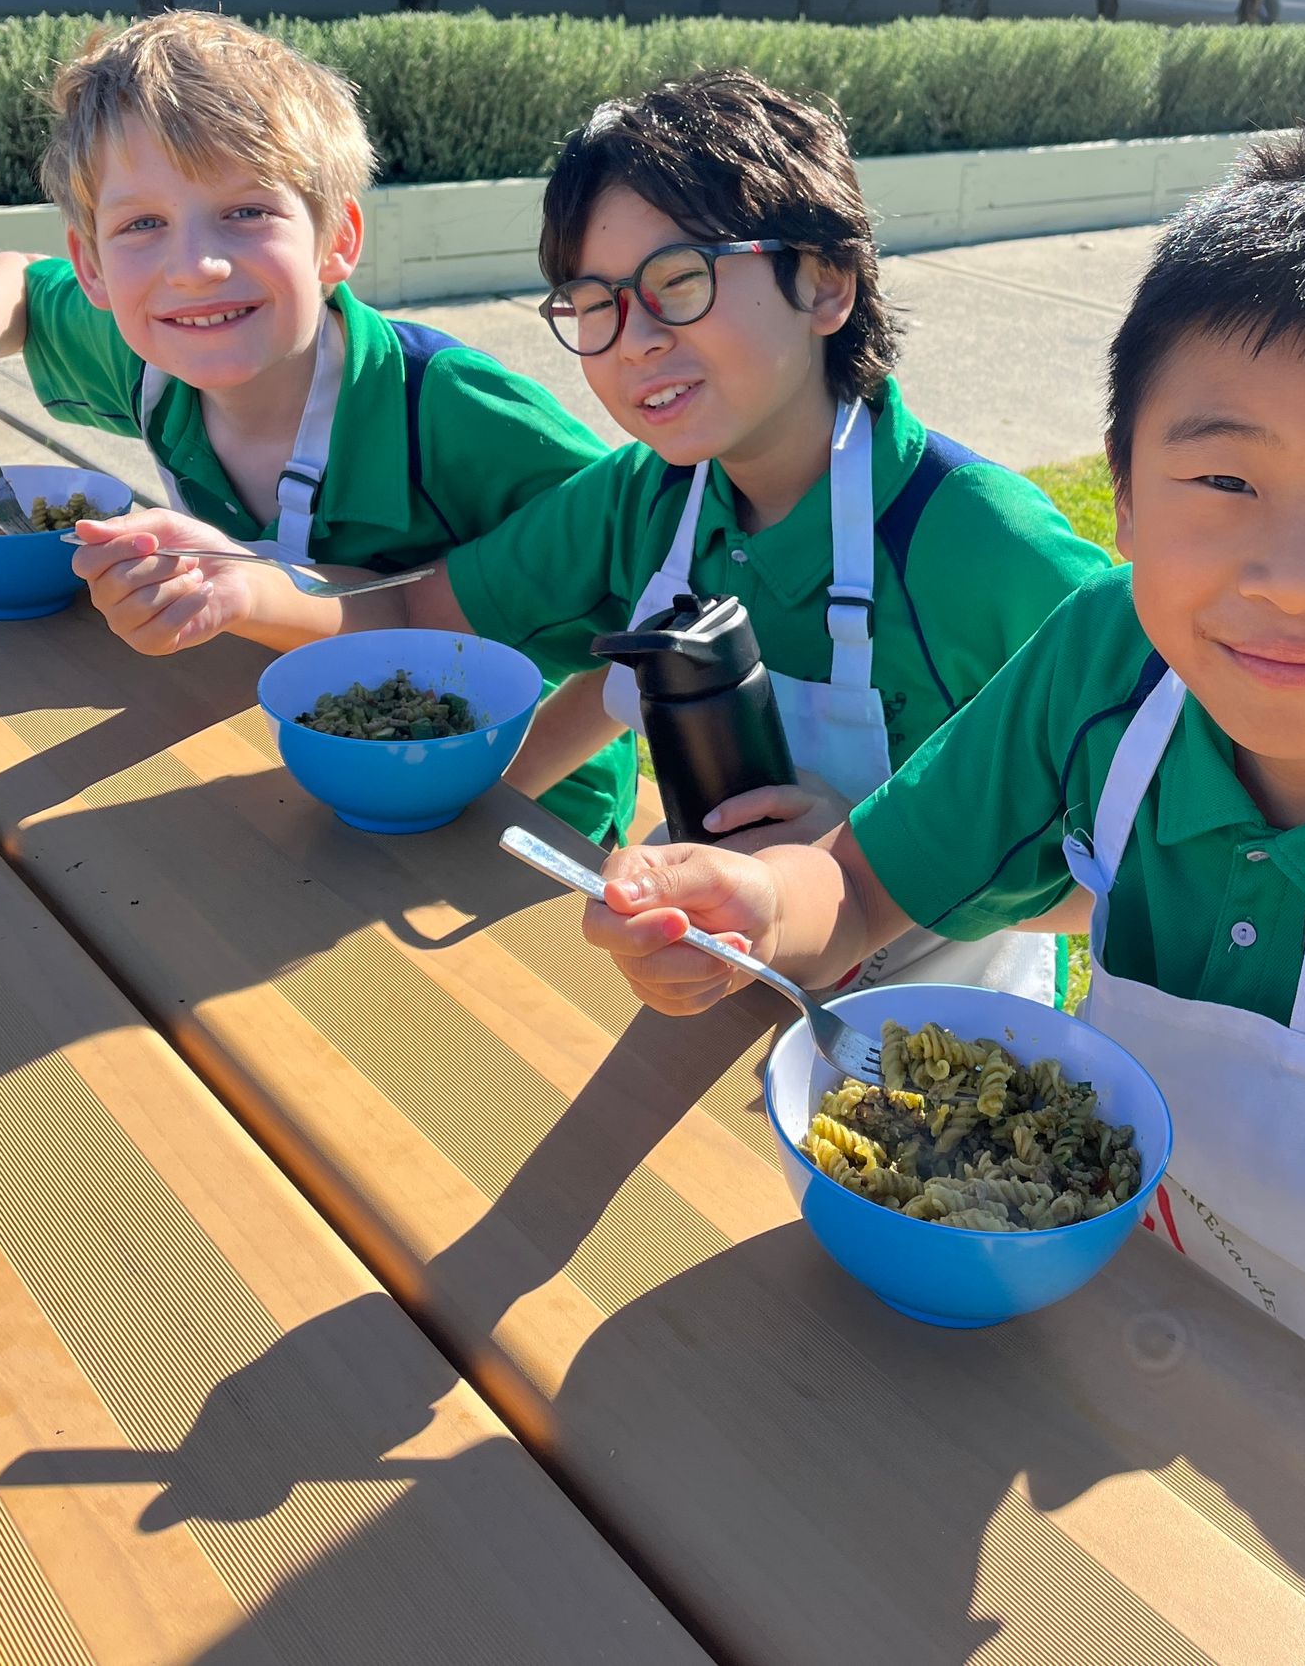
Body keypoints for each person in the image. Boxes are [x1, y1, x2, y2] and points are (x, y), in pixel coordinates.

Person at [580, 114, 1305, 1578]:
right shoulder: (1104, 663)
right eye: (1222, 481)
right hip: (1100, 1365)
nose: (1292, 578)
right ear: (1122, 490)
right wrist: (747, 900)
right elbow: (852, 883)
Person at [87, 69, 1113, 998]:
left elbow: (1148, 870)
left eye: (681, 282)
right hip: (712, 976)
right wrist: (239, 579)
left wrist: (867, 868)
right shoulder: (642, 498)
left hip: (941, 1046)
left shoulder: (984, 548)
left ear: (825, 281)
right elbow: (425, 616)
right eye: (595, 304)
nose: (637, 342)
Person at [0, 12, 631, 843]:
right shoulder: (147, 353)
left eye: (245, 211)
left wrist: (502, 792)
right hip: (294, 755)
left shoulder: (458, 411)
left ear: (336, 240)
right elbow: (16, 278)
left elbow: (664, 589)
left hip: (525, 807)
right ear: (94, 266)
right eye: (141, 224)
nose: (195, 267)